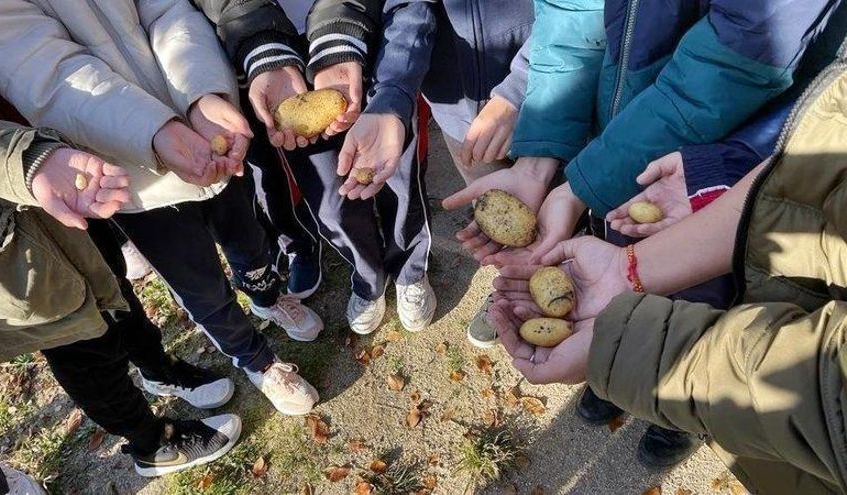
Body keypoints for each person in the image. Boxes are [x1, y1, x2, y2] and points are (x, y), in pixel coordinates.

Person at [445, 0, 847, 468]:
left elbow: (733, 59)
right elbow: (572, 11)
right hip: (624, 136)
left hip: (740, 150)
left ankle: (672, 412)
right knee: (612, 250)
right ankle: (620, 370)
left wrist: (583, 183)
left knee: (706, 291)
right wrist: (540, 162)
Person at [0, 0, 321, 415]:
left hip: (205, 134)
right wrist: (154, 131)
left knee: (250, 242)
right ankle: (257, 361)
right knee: (201, 287)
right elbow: (51, 76)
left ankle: (266, 297)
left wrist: (201, 92)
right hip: (132, 173)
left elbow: (169, 8)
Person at [0, 68, 240, 478]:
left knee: (112, 281)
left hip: (53, 157)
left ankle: (156, 368)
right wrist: (25, 158)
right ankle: (151, 443)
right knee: (74, 336)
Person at [194, 0, 439, 335]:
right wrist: (264, 48)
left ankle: (410, 271)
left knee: (398, 177)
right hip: (276, 54)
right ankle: (368, 280)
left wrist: (338, 40)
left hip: (375, 28)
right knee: (332, 203)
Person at [338, 0, 534, 348]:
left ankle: (564, 292)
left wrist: (518, 90)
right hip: (460, 119)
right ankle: (518, 285)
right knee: (500, 222)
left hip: (551, 101)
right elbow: (410, 7)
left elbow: (578, 14)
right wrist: (392, 95)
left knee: (562, 210)